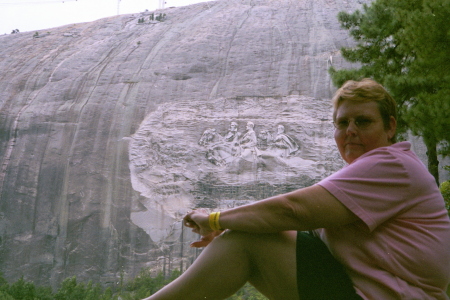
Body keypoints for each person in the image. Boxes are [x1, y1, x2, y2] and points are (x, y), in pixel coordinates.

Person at [143, 79, 450, 300]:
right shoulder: (370, 175)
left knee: (247, 240)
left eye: (363, 121)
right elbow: (291, 226)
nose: (350, 130)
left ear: (390, 127)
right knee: (250, 234)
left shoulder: (392, 166)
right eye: (342, 123)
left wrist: (215, 220)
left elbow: (292, 211)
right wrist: (230, 225)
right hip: (359, 291)